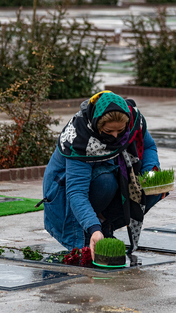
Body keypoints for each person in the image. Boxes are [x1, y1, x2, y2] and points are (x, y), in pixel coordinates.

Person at [41, 91, 166, 259]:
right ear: (97, 125)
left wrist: (151, 172)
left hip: (103, 177)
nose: (115, 136)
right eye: (109, 131)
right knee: (106, 182)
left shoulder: (134, 121)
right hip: (62, 197)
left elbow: (149, 145)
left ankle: (105, 226)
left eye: (120, 131)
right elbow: (76, 192)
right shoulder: (80, 139)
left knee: (146, 191)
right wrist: (93, 228)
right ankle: (90, 231)